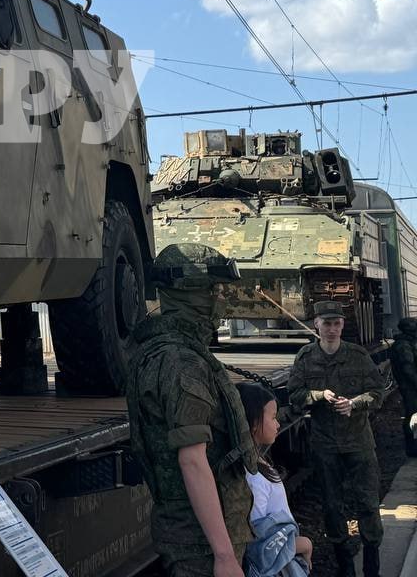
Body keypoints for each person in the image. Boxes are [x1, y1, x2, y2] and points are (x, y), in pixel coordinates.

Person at [127, 243, 259, 577]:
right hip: (199, 543)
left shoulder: (168, 351)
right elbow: (192, 459)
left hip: (193, 536)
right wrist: (225, 555)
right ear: (191, 292)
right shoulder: (181, 361)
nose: (219, 299)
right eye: (213, 289)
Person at [288, 300, 386, 577]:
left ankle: (371, 566)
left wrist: (354, 404)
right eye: (326, 323)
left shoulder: (357, 355)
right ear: (316, 325)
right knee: (332, 506)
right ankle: (345, 566)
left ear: (342, 325)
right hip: (325, 445)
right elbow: (295, 396)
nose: (331, 329)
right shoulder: (306, 358)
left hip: (358, 443)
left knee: (368, 503)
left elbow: (377, 392)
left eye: (336, 323)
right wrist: (318, 396)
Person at [237, 382, 312, 573]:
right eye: (272, 417)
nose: (278, 423)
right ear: (254, 423)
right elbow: (259, 543)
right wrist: (301, 545)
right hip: (277, 566)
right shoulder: (253, 479)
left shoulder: (256, 465)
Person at [389, 317, 417, 456]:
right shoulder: (403, 346)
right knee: (413, 416)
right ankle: (413, 449)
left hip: (410, 386)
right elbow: (408, 369)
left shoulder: (406, 343)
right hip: (410, 387)